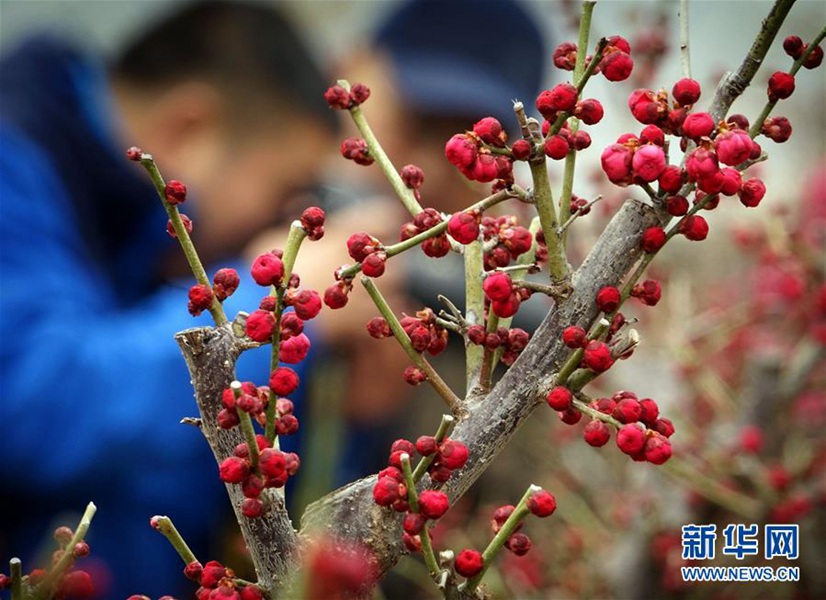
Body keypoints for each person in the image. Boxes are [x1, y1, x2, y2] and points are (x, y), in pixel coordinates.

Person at [0, 1, 350, 597]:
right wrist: (275, 307)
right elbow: (36, 410)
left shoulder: (129, 214)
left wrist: (354, 415)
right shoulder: (13, 165)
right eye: (284, 188)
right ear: (189, 128)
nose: (283, 219)